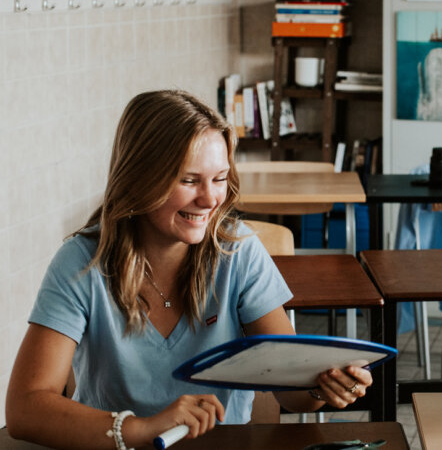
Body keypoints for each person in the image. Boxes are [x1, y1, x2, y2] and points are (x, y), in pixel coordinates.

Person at [5, 90, 372, 449]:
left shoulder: (239, 252)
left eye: (220, 178)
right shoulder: (81, 260)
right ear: (138, 177)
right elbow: (24, 409)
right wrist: (144, 429)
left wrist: (319, 384)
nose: (211, 199)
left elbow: (291, 395)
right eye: (189, 180)